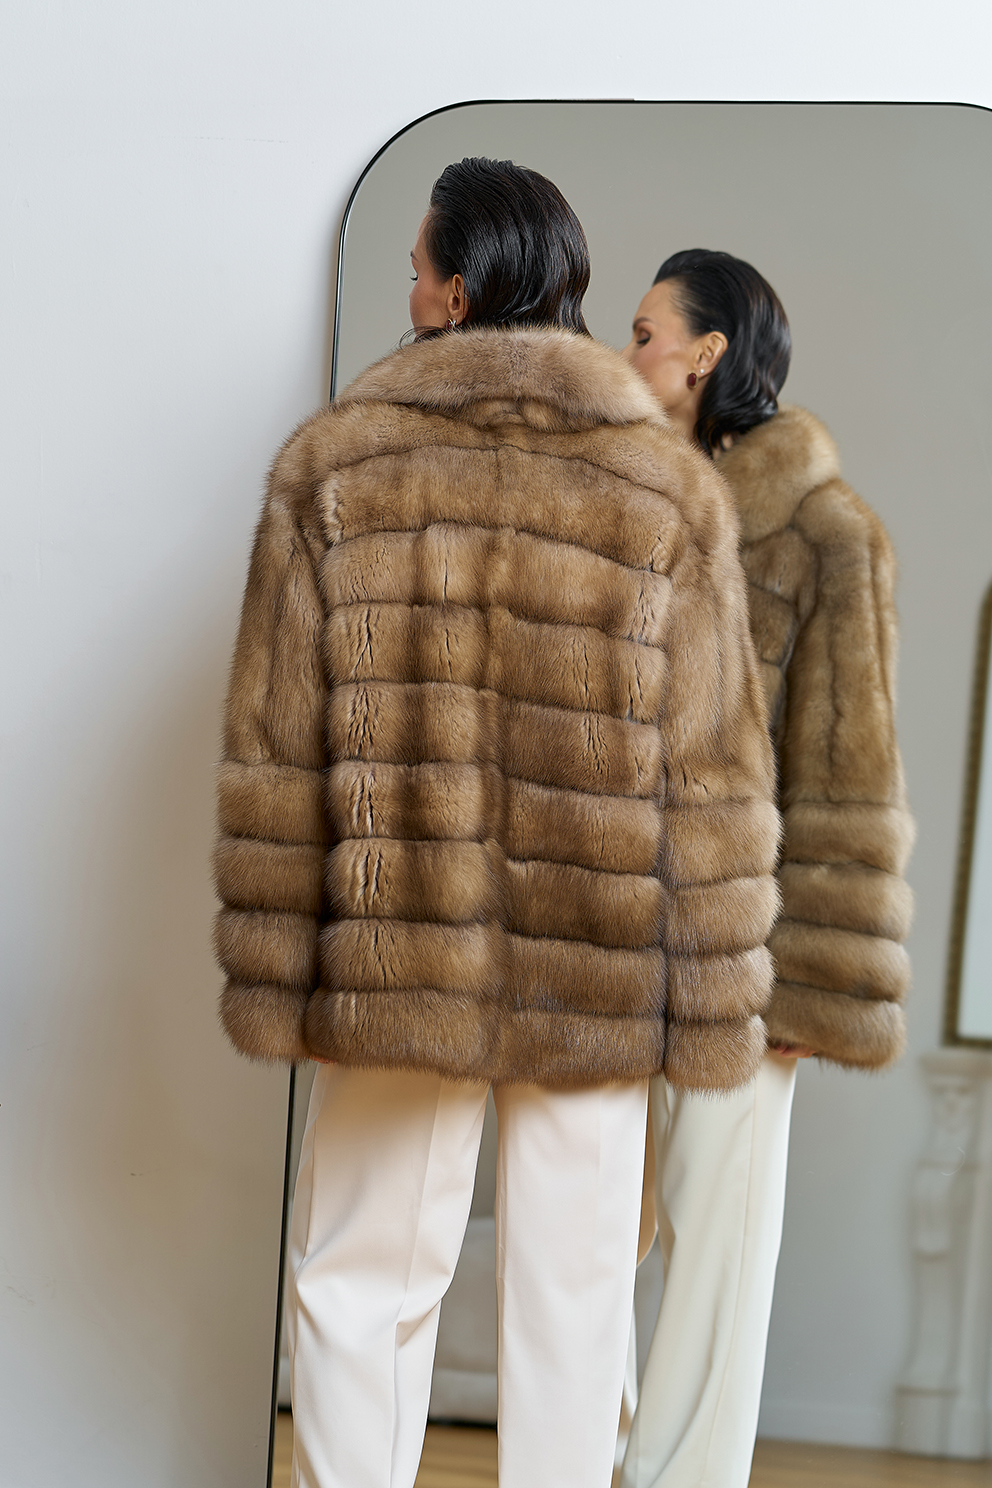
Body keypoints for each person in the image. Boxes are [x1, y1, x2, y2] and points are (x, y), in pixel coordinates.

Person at [212, 167, 781, 1488]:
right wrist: (707, 989)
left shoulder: (336, 468)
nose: (407, 289)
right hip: (598, 952)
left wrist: (286, 966)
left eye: (416, 267)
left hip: (401, 946)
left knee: (358, 1279)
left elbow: (280, 741)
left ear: (457, 291)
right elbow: (711, 766)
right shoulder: (661, 483)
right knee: (576, 1299)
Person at [619, 249, 915, 1488]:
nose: (622, 351)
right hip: (613, 941)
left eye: (643, 332)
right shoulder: (632, 511)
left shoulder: (826, 533)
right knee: (589, 1239)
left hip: (744, 963)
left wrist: (806, 981)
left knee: (715, 1254)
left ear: (704, 354)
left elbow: (851, 771)